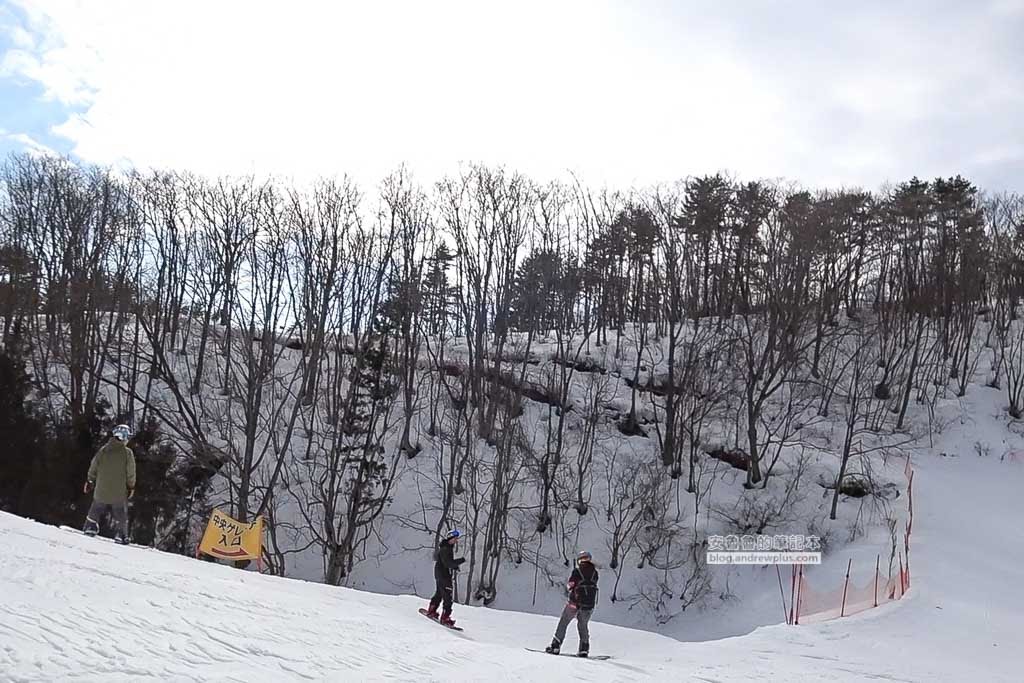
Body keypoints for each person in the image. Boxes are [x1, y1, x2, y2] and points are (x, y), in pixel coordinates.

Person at [82, 424, 136, 544]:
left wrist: (89, 480)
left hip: (101, 489)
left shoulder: (103, 450)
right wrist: (131, 486)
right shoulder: (127, 453)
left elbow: (93, 466)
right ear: (124, 437)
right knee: (120, 512)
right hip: (118, 493)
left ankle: (90, 526)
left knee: (96, 507)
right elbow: (131, 473)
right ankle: (121, 535)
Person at [546, 550, 599, 657]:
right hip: (588, 605)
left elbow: (570, 585)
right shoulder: (595, 573)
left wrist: (570, 587)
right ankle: (584, 648)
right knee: (583, 625)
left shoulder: (577, 572)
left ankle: (555, 645)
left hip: (574, 602)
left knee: (564, 621)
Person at [425, 528, 466, 627]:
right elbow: (447, 563)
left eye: (456, 538)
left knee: (439, 593)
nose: (456, 540)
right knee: (448, 596)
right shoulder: (445, 549)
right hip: (443, 575)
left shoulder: (446, 548)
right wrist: (460, 561)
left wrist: (454, 566)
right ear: (450, 538)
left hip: (440, 573)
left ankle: (432, 610)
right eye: (455, 538)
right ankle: (445, 617)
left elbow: (446, 562)